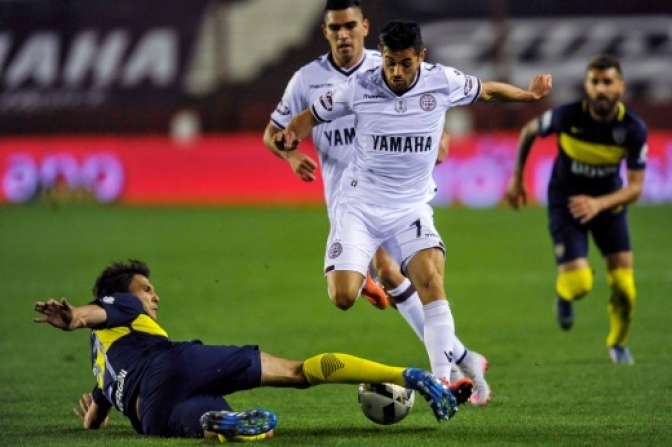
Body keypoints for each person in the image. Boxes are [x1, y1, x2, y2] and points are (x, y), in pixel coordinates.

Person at [273, 20, 552, 391]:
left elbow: (486, 91)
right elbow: (311, 116)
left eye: (405, 63)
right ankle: (364, 280)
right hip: (359, 205)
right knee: (341, 296)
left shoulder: (443, 81)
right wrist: (292, 134)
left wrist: (527, 96)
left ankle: (442, 382)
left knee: (432, 281)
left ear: (421, 56)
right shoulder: (360, 86)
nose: (397, 72)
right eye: (390, 62)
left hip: (410, 208)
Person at [262, 1, 490, 405]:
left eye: (351, 25)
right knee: (360, 286)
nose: (344, 34)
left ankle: (452, 365)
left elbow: (432, 107)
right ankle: (460, 356)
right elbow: (275, 131)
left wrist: (439, 139)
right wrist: (290, 154)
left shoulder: (388, 65)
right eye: (336, 28)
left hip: (392, 198)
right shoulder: (306, 79)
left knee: (392, 270)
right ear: (325, 32)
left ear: (365, 28)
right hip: (347, 198)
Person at [33, 260, 472, 442]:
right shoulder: (119, 305)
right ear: (123, 294)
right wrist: (72, 317)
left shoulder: (103, 356)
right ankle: (408, 375)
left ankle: (222, 425)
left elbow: (99, 408)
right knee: (299, 372)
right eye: (147, 289)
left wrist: (95, 413)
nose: (154, 297)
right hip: (172, 364)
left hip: (149, 413)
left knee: (200, 420)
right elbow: (93, 312)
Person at [504, 55, 647, 365]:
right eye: (595, 82)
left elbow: (635, 189)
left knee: (625, 288)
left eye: (607, 82)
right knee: (580, 283)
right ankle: (565, 296)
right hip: (566, 203)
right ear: (587, 85)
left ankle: (618, 344)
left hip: (608, 206)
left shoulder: (633, 129)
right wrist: (517, 179)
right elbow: (530, 130)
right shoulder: (569, 115)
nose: (600, 89)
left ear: (620, 86)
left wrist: (598, 203)